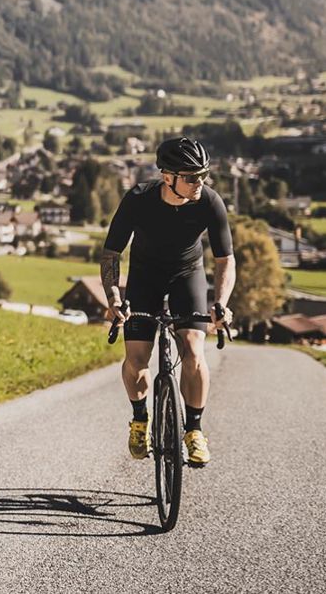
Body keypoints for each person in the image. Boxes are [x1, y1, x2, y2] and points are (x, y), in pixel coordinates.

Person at [100, 136, 235, 467]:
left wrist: (220, 303)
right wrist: (114, 297)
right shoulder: (138, 200)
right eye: (190, 177)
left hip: (186, 274)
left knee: (193, 350)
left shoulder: (209, 202)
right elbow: (111, 254)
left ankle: (195, 429)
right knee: (137, 357)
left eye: (202, 175)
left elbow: (225, 260)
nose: (198, 183)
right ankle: (139, 419)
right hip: (145, 275)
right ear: (167, 176)